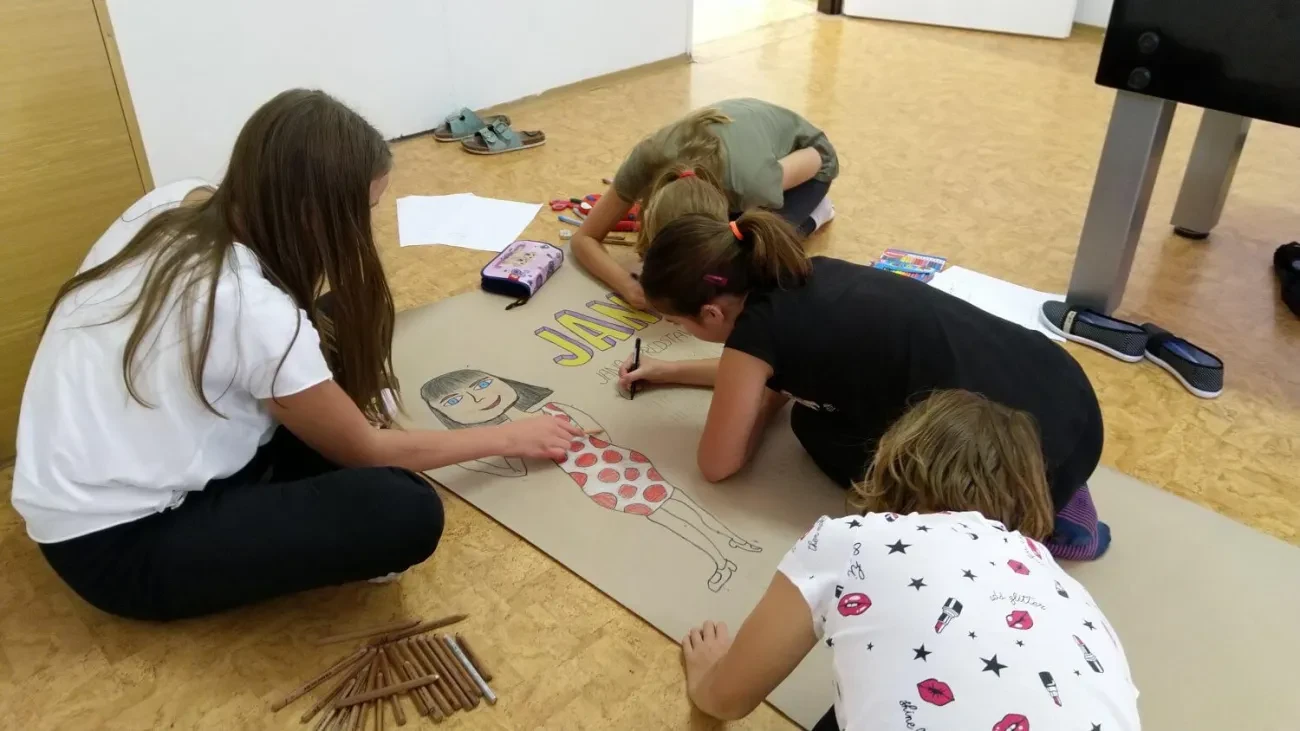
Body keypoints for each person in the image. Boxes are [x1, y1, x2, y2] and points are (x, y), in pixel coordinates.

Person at [11, 89, 581, 621]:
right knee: (404, 510)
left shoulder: (175, 201)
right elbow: (366, 449)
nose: (367, 224)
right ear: (312, 212)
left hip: (117, 467)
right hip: (119, 545)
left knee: (345, 311)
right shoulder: (250, 309)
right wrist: (509, 436)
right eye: (364, 209)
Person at [622, 210, 1109, 561]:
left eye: (677, 322)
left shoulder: (755, 336)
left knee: (814, 427)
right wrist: (666, 370)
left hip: (1021, 474)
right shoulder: (803, 272)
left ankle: (1033, 519)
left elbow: (717, 464)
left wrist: (760, 407)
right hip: (1069, 400)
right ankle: (1056, 493)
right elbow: (755, 375)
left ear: (711, 313)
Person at [677, 390, 1141, 731]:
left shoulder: (849, 540)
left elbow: (729, 700)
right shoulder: (1065, 587)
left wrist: (708, 680)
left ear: (896, 456)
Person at [418, 369, 762, 592]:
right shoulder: (508, 444)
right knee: (668, 518)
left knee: (681, 502)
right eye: (455, 400)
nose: (479, 398)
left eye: (481, 384)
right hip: (601, 487)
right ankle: (721, 560)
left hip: (623, 467)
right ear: (445, 415)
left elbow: (601, 434)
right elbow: (516, 470)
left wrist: (608, 458)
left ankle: (732, 539)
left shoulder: (555, 409)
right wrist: (481, 453)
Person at [571, 99, 839, 310]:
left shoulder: (751, 184)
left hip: (809, 163)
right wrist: (627, 286)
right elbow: (583, 238)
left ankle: (818, 211)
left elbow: (818, 156)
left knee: (757, 258)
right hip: (740, 160)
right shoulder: (644, 161)